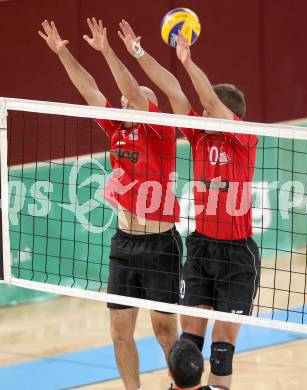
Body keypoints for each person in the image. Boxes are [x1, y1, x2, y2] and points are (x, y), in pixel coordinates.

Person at [39, 18, 182, 390]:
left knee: (166, 332)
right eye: (120, 101)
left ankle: (182, 386)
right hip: (124, 243)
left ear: (149, 106)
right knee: (119, 334)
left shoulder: (160, 129)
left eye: (130, 99)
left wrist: (108, 51)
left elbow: (132, 92)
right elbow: (90, 91)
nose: (121, 101)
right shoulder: (117, 127)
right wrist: (62, 53)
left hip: (161, 244)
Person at [118, 21, 260, 389]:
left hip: (237, 255)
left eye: (210, 109)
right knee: (188, 347)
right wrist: (138, 53)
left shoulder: (243, 138)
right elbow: (173, 89)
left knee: (221, 351)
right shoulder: (197, 132)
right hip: (201, 248)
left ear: (230, 116)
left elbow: (209, 99)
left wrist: (187, 59)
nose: (202, 111)